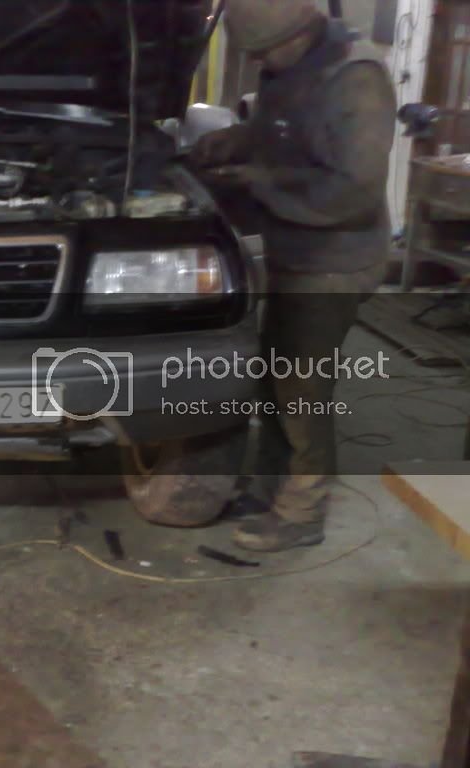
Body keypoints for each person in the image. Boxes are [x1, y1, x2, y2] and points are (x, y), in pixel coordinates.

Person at [190, 0, 397, 552]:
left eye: (265, 53)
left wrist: (259, 181)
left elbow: (353, 190)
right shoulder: (288, 66)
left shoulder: (356, 79)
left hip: (336, 257)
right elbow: (278, 128)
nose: (261, 63)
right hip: (296, 248)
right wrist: (236, 140)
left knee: (302, 388)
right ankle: (269, 490)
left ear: (302, 33)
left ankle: (302, 511)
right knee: (275, 376)